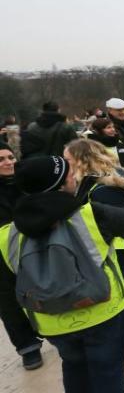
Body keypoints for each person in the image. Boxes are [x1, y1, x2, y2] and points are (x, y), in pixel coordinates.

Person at [0, 155, 124, 393]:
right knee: (108, 369)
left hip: (51, 319)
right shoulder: (89, 215)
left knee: (74, 365)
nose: (74, 178)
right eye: (69, 175)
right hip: (101, 309)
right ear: (58, 184)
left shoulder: (7, 234)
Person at [64, 139, 124, 388]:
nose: (66, 165)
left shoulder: (103, 187)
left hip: (115, 250)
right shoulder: (99, 181)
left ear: (82, 160)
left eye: (69, 160)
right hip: (108, 249)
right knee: (120, 301)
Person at [0, 143, 44, 370]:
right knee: (8, 303)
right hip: (1, 256)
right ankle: (28, 347)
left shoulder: (26, 183)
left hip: (32, 246)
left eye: (10, 157)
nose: (8, 162)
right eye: (2, 160)